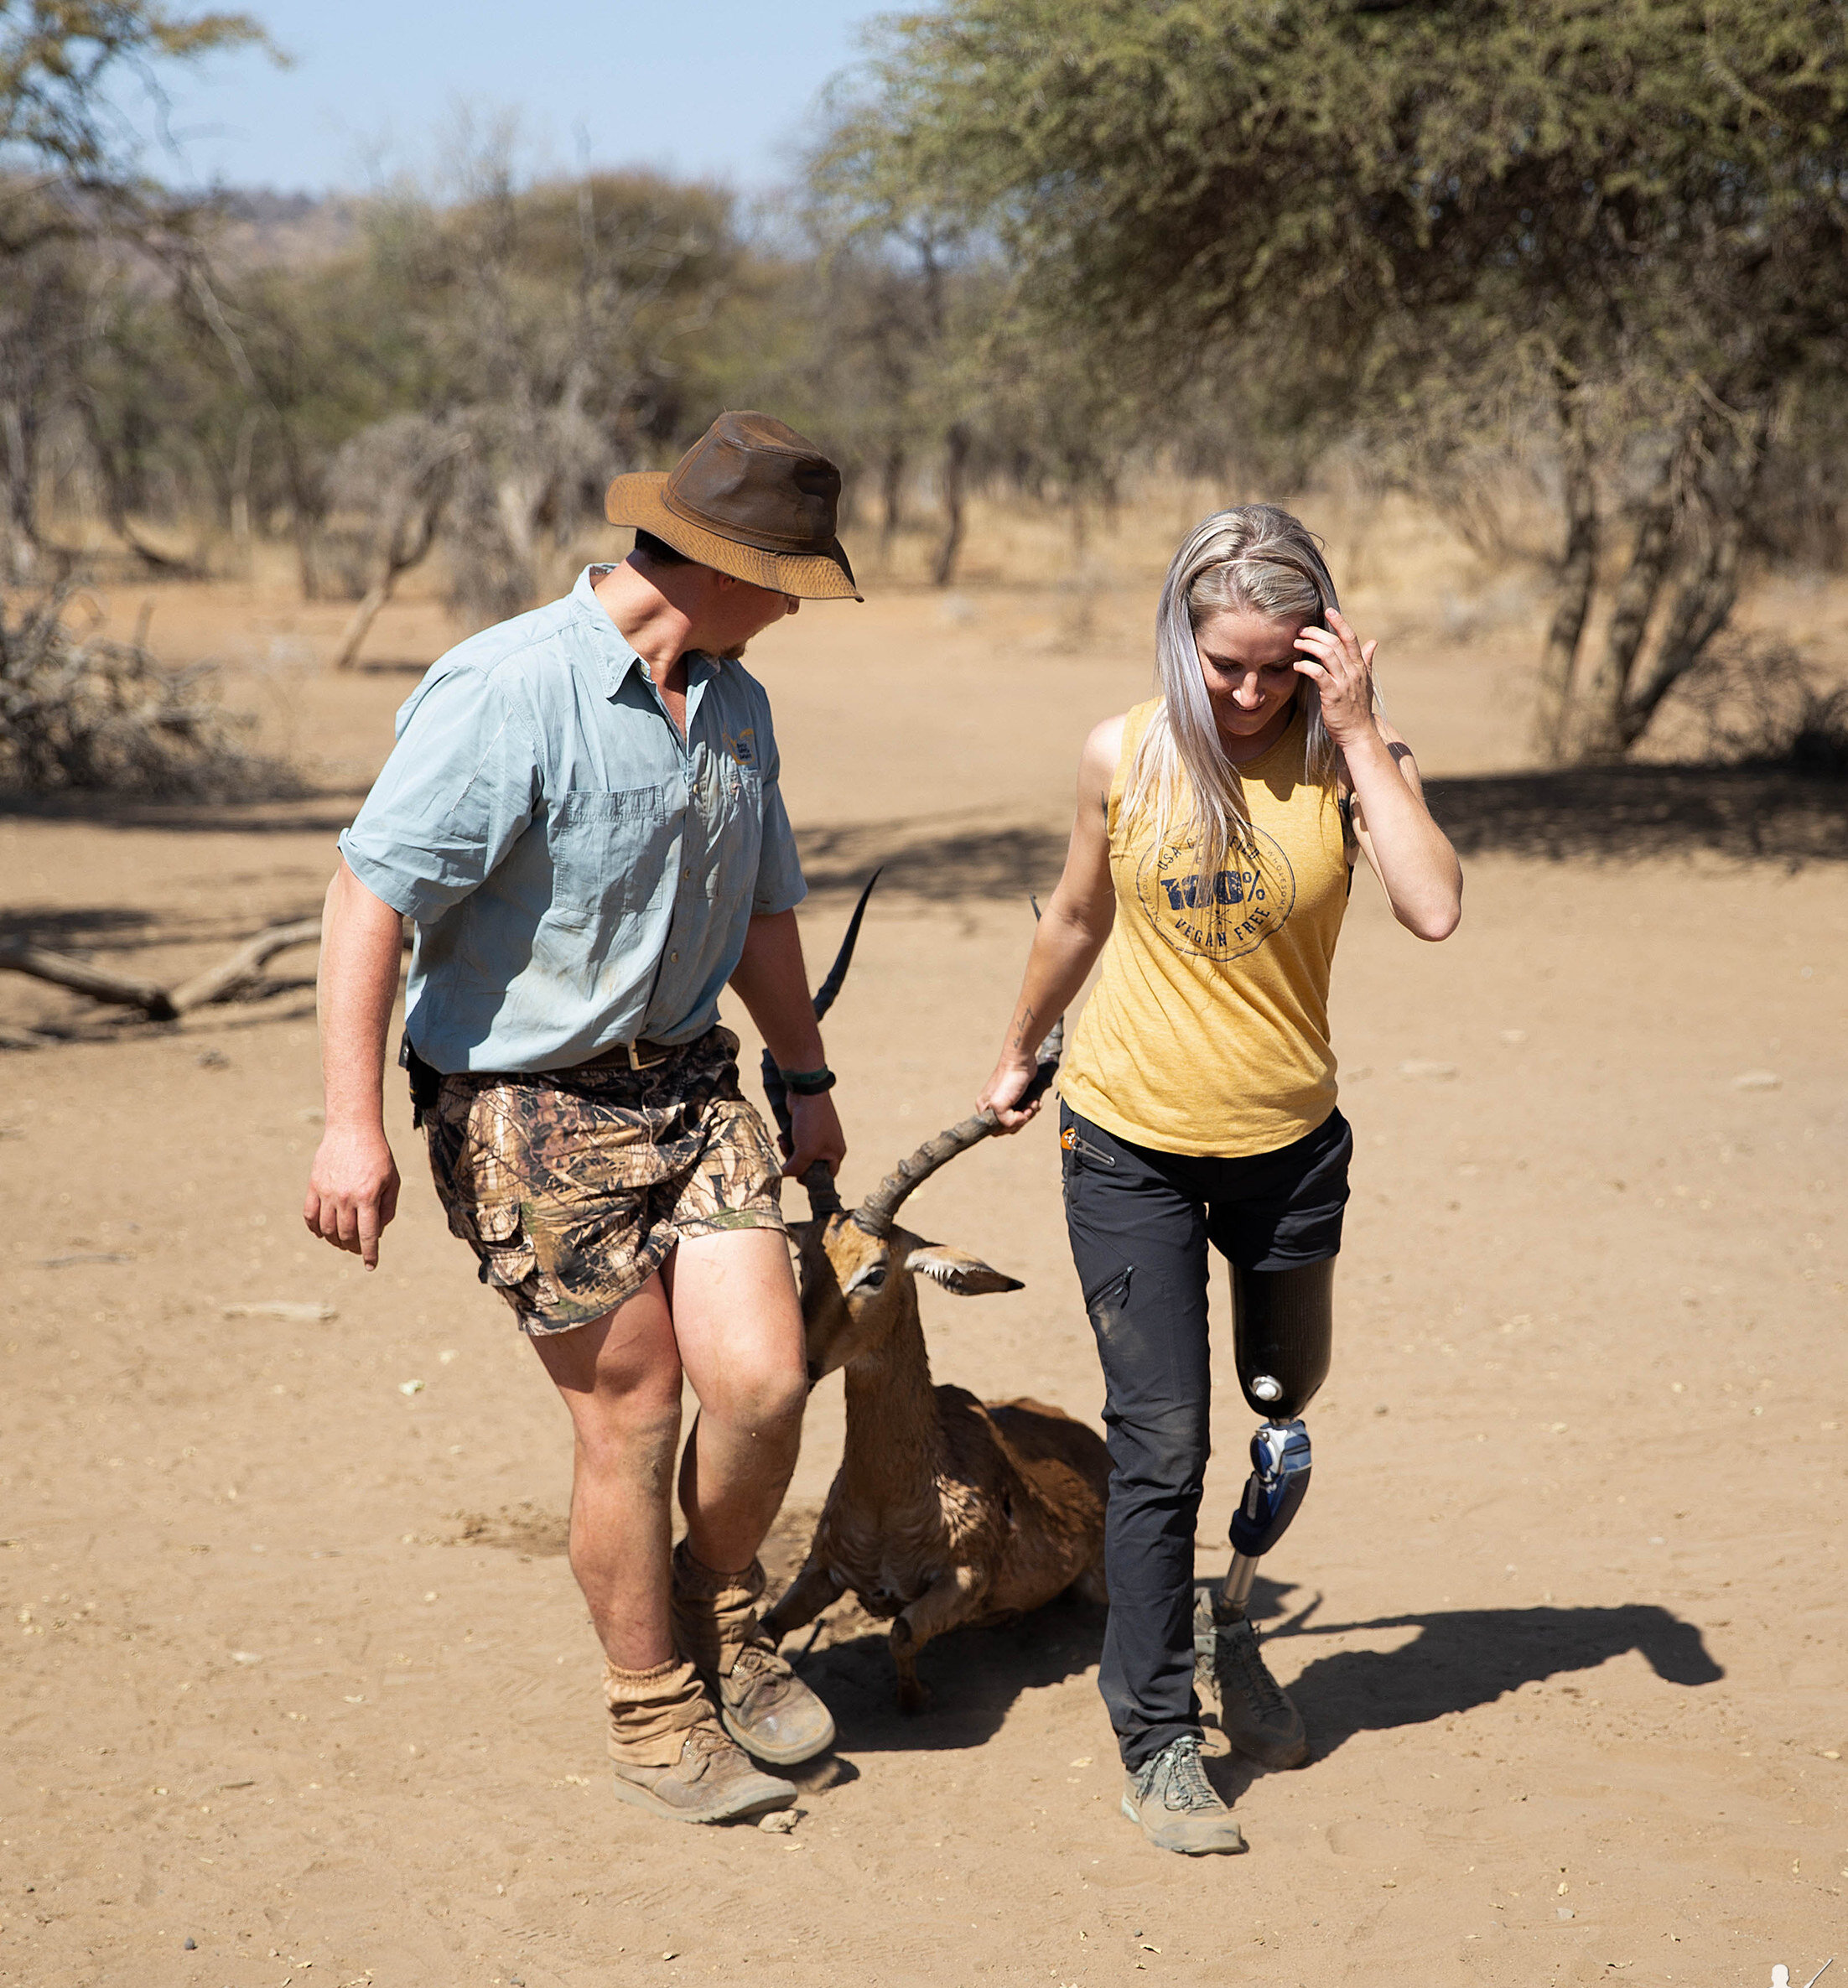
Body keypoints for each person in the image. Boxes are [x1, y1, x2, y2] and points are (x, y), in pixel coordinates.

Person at [304, 412, 859, 1825]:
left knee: (766, 1385)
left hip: (691, 1081)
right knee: (636, 1408)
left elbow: (765, 912)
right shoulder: (509, 686)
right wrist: (347, 1126)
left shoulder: (736, 701)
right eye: (790, 578)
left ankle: (717, 1614)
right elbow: (372, 893)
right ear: (722, 564)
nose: (801, 607)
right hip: (526, 1104)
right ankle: (654, 1706)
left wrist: (804, 1079)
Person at [977, 506, 1461, 1855]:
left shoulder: (1346, 760)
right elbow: (1077, 913)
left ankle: (1229, 1621)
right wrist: (1016, 1053)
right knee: (1161, 1441)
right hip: (1126, 1137)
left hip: (1289, 1149)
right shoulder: (1123, 754)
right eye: (1222, 664)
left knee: (1278, 1408)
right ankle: (1157, 1739)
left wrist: (1360, 731)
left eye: (1274, 667)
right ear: (1180, 642)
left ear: (1321, 652)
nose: (1246, 694)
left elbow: (1434, 903)